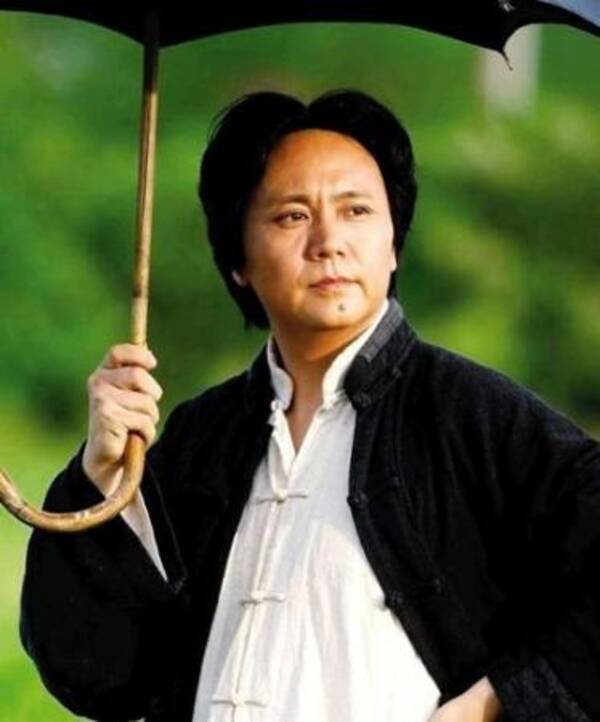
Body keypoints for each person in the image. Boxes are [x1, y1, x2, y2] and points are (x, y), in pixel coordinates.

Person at [19, 89, 600, 722]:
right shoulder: (202, 437)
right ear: (238, 259)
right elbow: (99, 676)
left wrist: (494, 703)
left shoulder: (474, 418)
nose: (329, 242)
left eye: (356, 210)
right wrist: (104, 474)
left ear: (393, 242)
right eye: (292, 216)